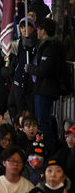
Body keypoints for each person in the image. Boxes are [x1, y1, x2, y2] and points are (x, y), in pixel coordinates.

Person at [27, 18, 63, 152]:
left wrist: (30, 69)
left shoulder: (50, 46)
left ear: (44, 30)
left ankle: (50, 152)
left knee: (43, 123)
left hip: (45, 90)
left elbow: (44, 69)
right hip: (41, 89)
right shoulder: (43, 45)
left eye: (38, 29)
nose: (36, 32)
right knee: (41, 121)